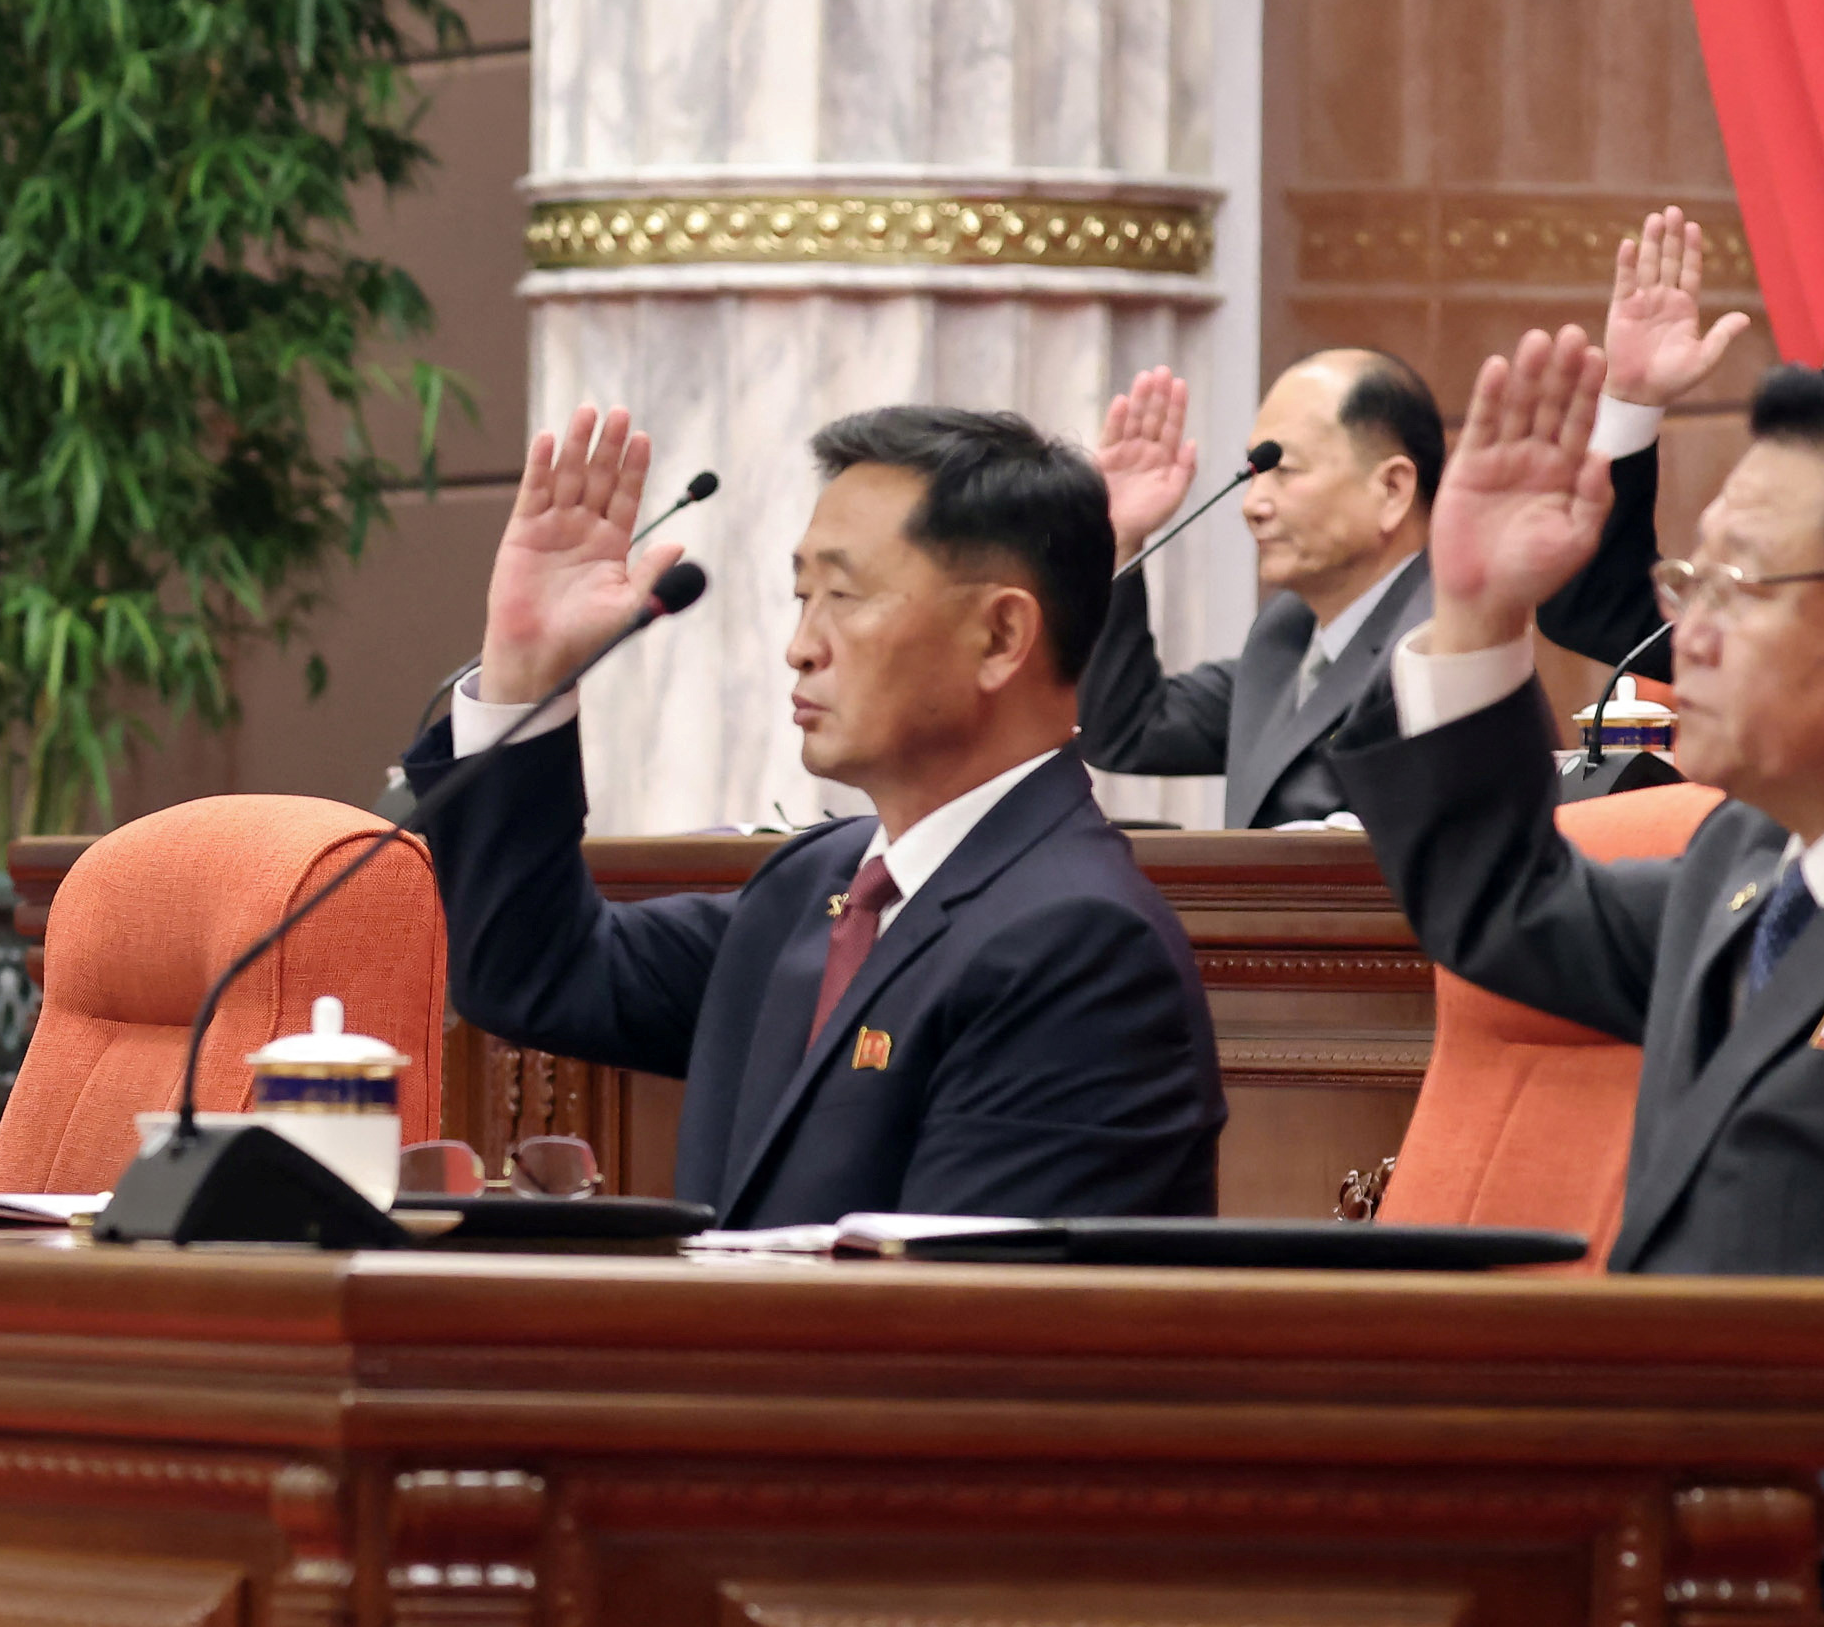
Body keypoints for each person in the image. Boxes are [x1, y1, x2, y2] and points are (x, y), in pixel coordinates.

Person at [1331, 329, 1824, 1627]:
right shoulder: (1743, 862)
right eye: (1682, 584)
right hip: (1677, 1586)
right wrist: (1483, 609)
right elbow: (1500, 906)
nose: (1680, 631)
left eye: (1738, 587)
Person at [402, 405, 1223, 1225]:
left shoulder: (1080, 944)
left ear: (1002, 635)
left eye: (843, 593)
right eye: (802, 594)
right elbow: (535, 973)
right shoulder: (818, 885)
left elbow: (961, 1322)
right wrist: (522, 667)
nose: (801, 644)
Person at [1079, 210, 1744, 824]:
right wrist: (1116, 536)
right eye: (1254, 474)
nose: (1254, 504)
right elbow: (1129, 729)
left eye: (1285, 471)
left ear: (1394, 488)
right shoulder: (1287, 635)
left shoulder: (1447, 644)